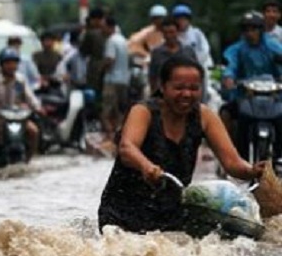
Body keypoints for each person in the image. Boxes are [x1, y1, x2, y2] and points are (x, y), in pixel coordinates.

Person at [98, 55, 266, 233]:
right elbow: (126, 148)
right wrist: (146, 166)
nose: (186, 94)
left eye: (194, 88)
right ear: (162, 87)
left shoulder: (205, 116)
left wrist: (252, 171)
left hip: (171, 213)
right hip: (122, 213)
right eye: (179, 88)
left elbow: (232, 163)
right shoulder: (143, 111)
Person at [219, 11, 282, 158]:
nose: (250, 33)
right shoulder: (237, 49)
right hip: (245, 95)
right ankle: (228, 154)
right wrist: (228, 77)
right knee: (225, 113)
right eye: (246, 29)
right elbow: (231, 65)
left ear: (261, 30)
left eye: (254, 29)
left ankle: (280, 156)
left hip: (273, 96)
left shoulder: (272, 46)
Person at [0, 48, 42, 167]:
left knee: (34, 131)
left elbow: (29, 96)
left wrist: (37, 107)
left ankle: (27, 161)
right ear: (1, 64)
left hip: (17, 117)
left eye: (14, 63)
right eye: (8, 63)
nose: (12, 66)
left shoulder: (20, 79)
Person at [148, 17, 197, 93]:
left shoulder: (188, 52)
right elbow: (152, 77)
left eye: (171, 32)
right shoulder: (157, 53)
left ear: (177, 32)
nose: (169, 36)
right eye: (166, 33)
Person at [101, 16, 130, 144]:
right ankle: (120, 136)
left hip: (112, 79)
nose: (102, 30)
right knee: (120, 111)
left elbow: (110, 59)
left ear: (110, 27)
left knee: (107, 112)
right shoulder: (123, 40)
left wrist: (101, 68)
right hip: (124, 79)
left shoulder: (111, 41)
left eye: (103, 27)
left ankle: (110, 137)